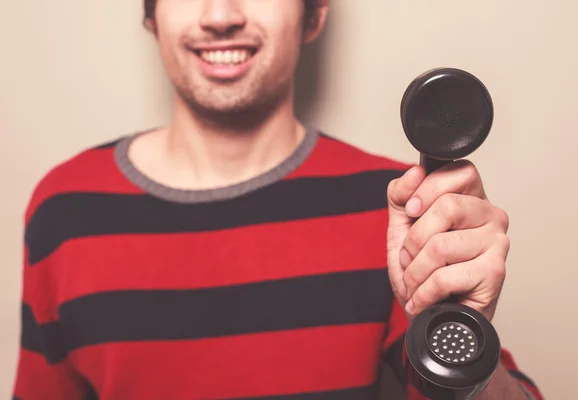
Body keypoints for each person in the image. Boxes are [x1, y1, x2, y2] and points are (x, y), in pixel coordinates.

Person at [12, 1, 543, 399]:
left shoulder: (400, 207)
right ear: (151, 14)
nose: (220, 15)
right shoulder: (66, 208)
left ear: (313, 15)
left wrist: (462, 333)